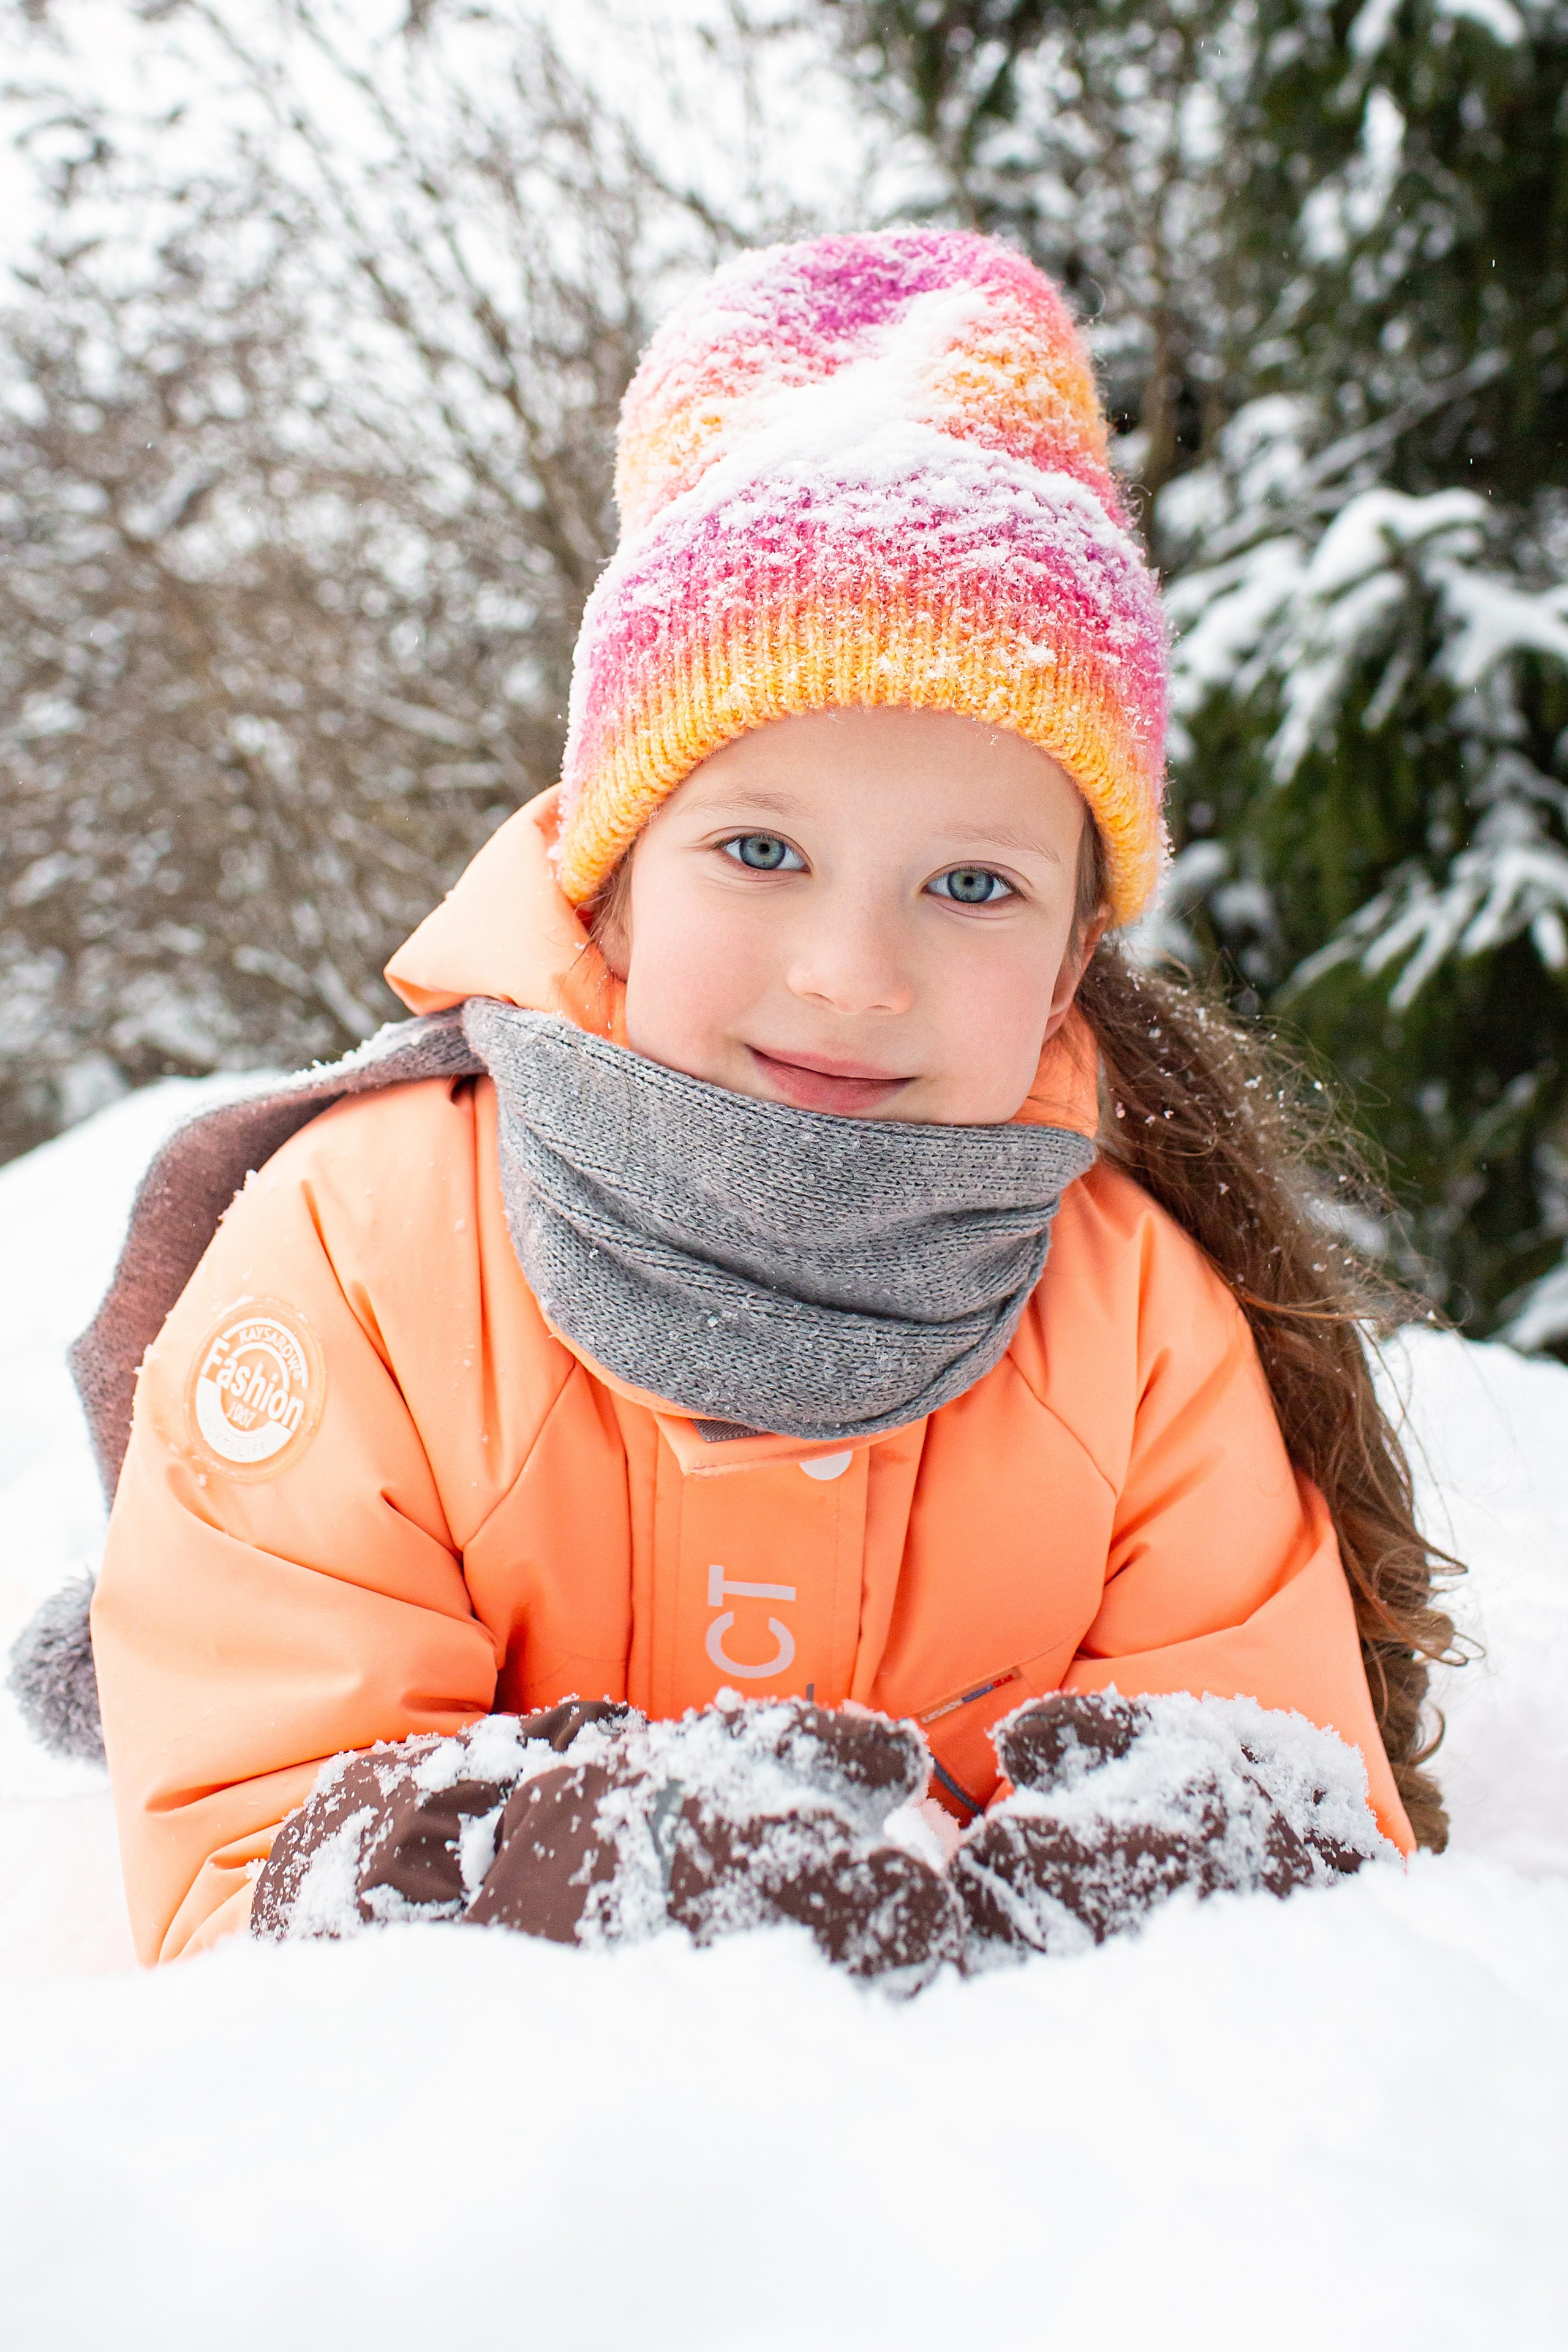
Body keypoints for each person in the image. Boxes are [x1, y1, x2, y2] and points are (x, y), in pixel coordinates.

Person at [86, 229, 1456, 1972]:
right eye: (760, 851)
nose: (852, 971)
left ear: (1070, 964)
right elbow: (247, 1853)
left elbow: (1292, 1847)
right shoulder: (360, 1261)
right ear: (610, 879)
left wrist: (1106, 1902)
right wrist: (557, 1880)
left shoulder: (1134, 1329)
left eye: (972, 885)